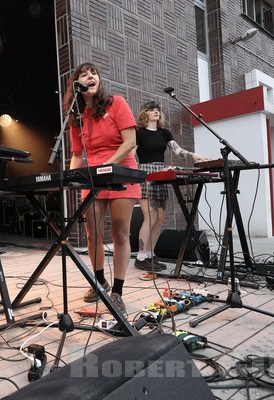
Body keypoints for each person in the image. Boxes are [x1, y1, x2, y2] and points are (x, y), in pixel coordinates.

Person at [64, 62, 141, 310]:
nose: (90, 77)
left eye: (93, 73)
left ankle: (117, 291)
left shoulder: (116, 103)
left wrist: (106, 165)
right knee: (92, 234)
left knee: (120, 233)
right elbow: (77, 154)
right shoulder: (76, 118)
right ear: (77, 84)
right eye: (84, 75)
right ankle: (99, 283)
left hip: (121, 172)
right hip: (93, 179)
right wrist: (68, 177)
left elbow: (130, 142)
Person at [134, 101, 210, 271]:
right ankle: (140, 257)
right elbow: (131, 155)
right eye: (152, 109)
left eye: (158, 110)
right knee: (150, 216)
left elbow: (178, 150)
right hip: (145, 174)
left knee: (160, 218)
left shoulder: (164, 133)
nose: (156, 112)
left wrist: (193, 155)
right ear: (144, 113)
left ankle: (149, 255)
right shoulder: (138, 133)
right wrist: (130, 174)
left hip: (160, 174)